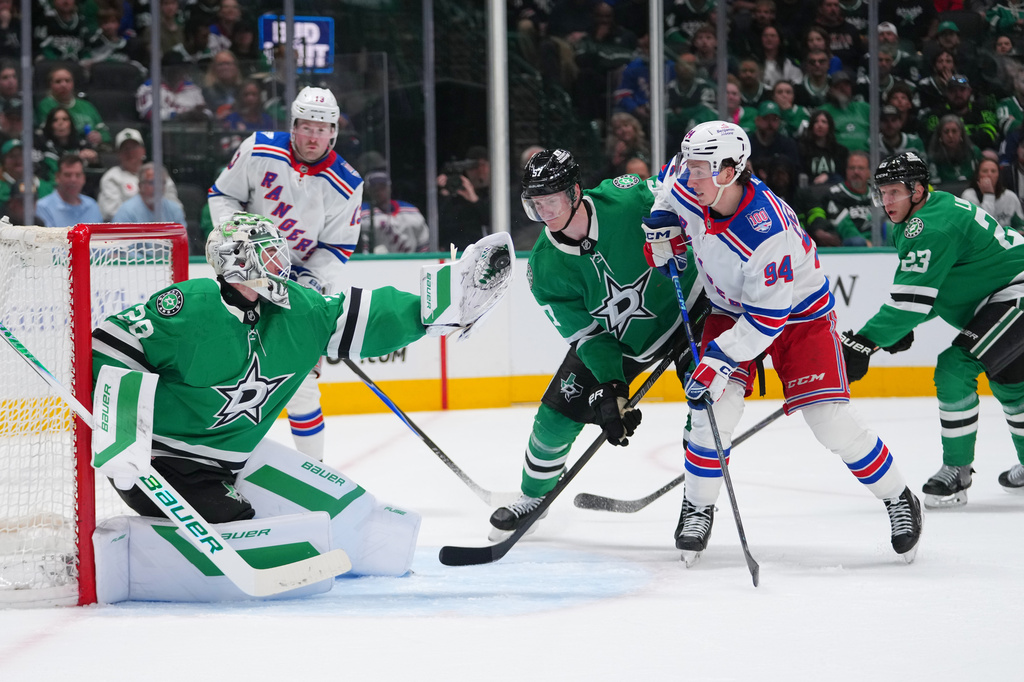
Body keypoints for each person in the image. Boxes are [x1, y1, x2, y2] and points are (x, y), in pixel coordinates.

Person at [90, 212, 514, 598]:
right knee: (241, 523)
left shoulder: (297, 308)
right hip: (159, 462)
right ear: (236, 261)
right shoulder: (190, 307)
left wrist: (428, 311)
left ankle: (370, 543)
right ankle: (144, 560)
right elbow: (108, 345)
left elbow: (358, 317)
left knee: (353, 516)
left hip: (234, 458)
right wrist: (121, 426)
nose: (281, 265)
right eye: (269, 257)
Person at [645, 121, 922, 565]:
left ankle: (899, 498)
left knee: (829, 421)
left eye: (701, 170)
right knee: (712, 410)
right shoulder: (694, 184)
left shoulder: (765, 232)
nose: (689, 178)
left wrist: (718, 359)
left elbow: (767, 318)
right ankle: (698, 506)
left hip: (797, 316)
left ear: (731, 170)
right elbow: (666, 178)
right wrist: (661, 221)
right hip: (729, 309)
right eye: (692, 168)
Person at [487, 148, 706, 541]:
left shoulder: (627, 200)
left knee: (708, 407)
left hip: (693, 311)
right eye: (534, 205)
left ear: (574, 193)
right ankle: (534, 497)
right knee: (554, 418)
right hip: (621, 344)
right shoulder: (545, 268)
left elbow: (684, 195)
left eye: (551, 201)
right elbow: (589, 335)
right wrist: (612, 386)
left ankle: (698, 506)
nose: (545, 213)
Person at [841, 151, 1024, 509]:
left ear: (919, 189)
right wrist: (896, 329)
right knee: (1011, 385)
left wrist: (864, 342)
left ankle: (957, 470)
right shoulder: (931, 211)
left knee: (955, 367)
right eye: (882, 192)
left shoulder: (929, 226)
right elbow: (933, 291)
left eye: (894, 191)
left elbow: (910, 302)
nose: (886, 201)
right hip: (1002, 294)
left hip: (1015, 292)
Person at [208, 86, 362, 461]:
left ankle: (317, 468)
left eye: (322, 129)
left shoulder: (346, 183)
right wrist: (238, 243)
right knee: (226, 371)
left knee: (302, 385)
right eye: (306, 126)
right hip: (240, 277)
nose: (313, 136)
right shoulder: (258, 148)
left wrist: (308, 282)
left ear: (334, 133)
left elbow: (337, 246)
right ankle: (215, 461)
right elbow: (222, 195)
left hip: (295, 287)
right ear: (293, 125)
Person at [98, 128, 180, 221]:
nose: (130, 152)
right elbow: (110, 212)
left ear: (143, 150)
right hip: (127, 230)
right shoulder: (111, 177)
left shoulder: (157, 172)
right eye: (125, 148)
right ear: (118, 154)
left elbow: (175, 207)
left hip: (160, 227)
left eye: (134, 147)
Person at [804, 150, 874, 246]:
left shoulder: (876, 193)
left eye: (861, 168)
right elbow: (845, 228)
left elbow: (883, 220)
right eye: (852, 168)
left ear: (869, 172)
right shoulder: (835, 194)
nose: (856, 172)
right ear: (846, 171)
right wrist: (869, 244)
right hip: (852, 247)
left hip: (877, 241)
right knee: (857, 241)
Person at [34, 66, 110, 148]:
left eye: (67, 80)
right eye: (58, 81)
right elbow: (47, 133)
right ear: (50, 85)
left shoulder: (86, 105)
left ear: (73, 83)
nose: (63, 85)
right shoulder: (45, 105)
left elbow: (105, 132)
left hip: (91, 149)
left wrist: (100, 136)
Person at [358, 170, 429, 254]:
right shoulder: (362, 212)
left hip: (410, 262)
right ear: (368, 191)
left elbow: (424, 243)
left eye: (382, 187)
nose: (379, 191)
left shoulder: (411, 211)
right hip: (377, 264)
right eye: (374, 188)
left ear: (389, 188)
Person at [437, 145, 491, 250]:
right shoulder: (457, 193)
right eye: (474, 167)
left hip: (482, 252)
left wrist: (475, 200)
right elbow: (440, 226)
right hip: (456, 251)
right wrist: (443, 194)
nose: (480, 171)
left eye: (483, 165)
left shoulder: (501, 194)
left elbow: (494, 222)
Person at [136, 51, 211, 122]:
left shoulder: (192, 89)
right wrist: (179, 116)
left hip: (193, 132)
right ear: (163, 70)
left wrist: (202, 115)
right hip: (162, 133)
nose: (178, 72)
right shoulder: (150, 87)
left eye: (180, 68)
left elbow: (208, 112)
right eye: (173, 69)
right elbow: (148, 114)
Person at [34, 153, 101, 227]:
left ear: (83, 178)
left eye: (78, 175)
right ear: (57, 177)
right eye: (67, 175)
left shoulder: (92, 205)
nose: (73, 180)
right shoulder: (43, 207)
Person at [112, 162, 187, 227]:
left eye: (161, 183)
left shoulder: (174, 209)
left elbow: (183, 241)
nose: (157, 187)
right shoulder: (126, 212)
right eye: (152, 183)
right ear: (140, 186)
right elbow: (120, 243)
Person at [35, 106, 99, 180]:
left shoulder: (82, 144)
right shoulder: (41, 146)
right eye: (55, 120)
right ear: (50, 125)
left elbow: (96, 172)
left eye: (65, 119)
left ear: (71, 123)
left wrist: (94, 160)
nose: (60, 123)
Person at [961, 157, 1024, 232]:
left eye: (993, 171)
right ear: (978, 175)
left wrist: (1019, 231)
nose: (989, 174)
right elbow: (983, 226)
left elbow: (1020, 224)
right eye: (985, 171)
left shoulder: (1009, 196)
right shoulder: (969, 196)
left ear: (998, 175)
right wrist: (989, 194)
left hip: (1007, 240)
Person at [927, 114, 983, 184]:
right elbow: (934, 183)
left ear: (961, 133)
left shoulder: (973, 152)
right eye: (946, 132)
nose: (950, 135)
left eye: (954, 131)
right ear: (940, 135)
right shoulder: (933, 157)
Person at [798, 109, 848, 185]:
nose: (820, 125)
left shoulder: (840, 151)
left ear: (829, 126)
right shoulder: (803, 149)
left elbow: (843, 175)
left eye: (824, 122)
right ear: (812, 126)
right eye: (816, 122)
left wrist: (828, 176)